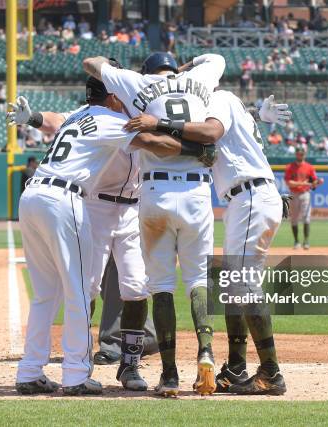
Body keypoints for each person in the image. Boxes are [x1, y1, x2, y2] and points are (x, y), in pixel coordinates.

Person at [6, 76, 214, 396]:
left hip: (41, 196)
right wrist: (195, 148)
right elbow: (155, 144)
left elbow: (53, 120)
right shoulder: (114, 119)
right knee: (80, 288)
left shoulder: (81, 115)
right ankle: (76, 374)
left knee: (63, 291)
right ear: (114, 98)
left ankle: (33, 370)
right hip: (81, 202)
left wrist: (32, 119)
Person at [126, 92, 292, 395]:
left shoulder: (219, 97)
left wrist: (157, 122)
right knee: (232, 284)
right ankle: (235, 367)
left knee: (242, 285)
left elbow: (211, 131)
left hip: (249, 195)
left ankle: (270, 372)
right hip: (245, 197)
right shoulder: (222, 104)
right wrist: (255, 112)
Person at [83, 52, 225, 396]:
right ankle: (205, 351)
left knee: (161, 285)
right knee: (197, 280)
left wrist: (119, 73)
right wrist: (188, 68)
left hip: (155, 191)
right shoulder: (203, 79)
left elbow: (90, 62)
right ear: (174, 67)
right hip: (196, 190)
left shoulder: (137, 82)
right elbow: (217, 58)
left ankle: (170, 374)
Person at [284, 147, 323, 249]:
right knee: (294, 219)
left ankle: (306, 241)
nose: (300, 155)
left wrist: (317, 182)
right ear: (296, 154)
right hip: (293, 194)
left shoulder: (309, 167)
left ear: (304, 155)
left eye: (302, 154)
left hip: (305, 194)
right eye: (298, 153)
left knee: (306, 218)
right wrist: (303, 183)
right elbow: (289, 183)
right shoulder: (290, 167)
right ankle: (296, 241)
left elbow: (313, 183)